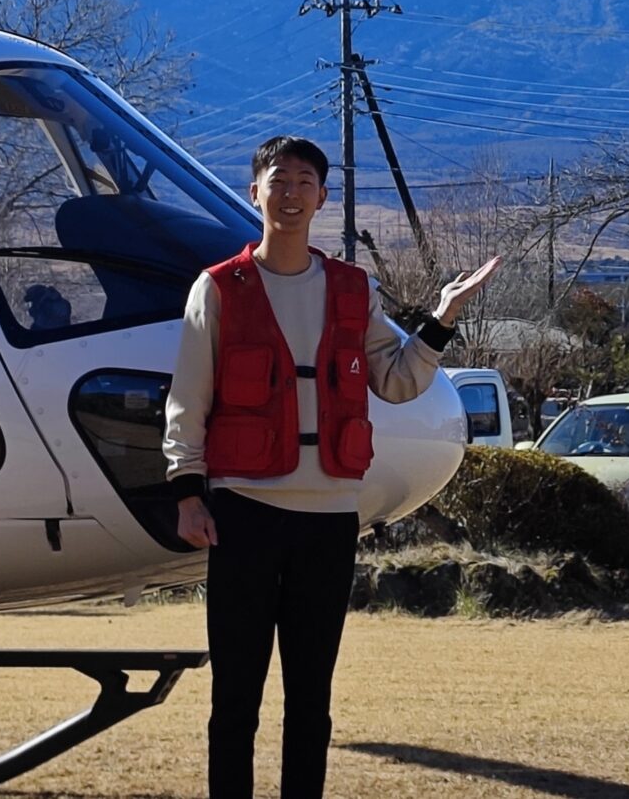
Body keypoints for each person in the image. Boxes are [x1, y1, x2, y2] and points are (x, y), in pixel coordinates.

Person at [161, 135, 498, 799]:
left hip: (329, 520)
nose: (290, 194)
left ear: (324, 197)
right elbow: (188, 398)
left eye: (304, 183)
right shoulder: (219, 289)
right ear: (253, 191)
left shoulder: (352, 289)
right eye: (278, 181)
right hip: (243, 511)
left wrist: (441, 318)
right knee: (236, 694)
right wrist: (188, 491)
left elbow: (397, 383)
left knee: (311, 699)